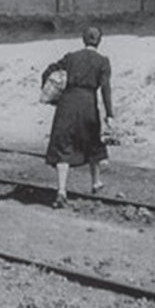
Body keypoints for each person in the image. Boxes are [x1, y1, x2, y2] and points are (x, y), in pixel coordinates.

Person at [42, 26, 113, 209]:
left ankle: (61, 191)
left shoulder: (71, 57)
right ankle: (96, 183)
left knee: (63, 145)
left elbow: (48, 70)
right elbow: (105, 89)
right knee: (94, 143)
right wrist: (109, 114)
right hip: (88, 105)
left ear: (83, 40)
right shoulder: (103, 61)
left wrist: (50, 93)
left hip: (66, 104)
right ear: (99, 41)